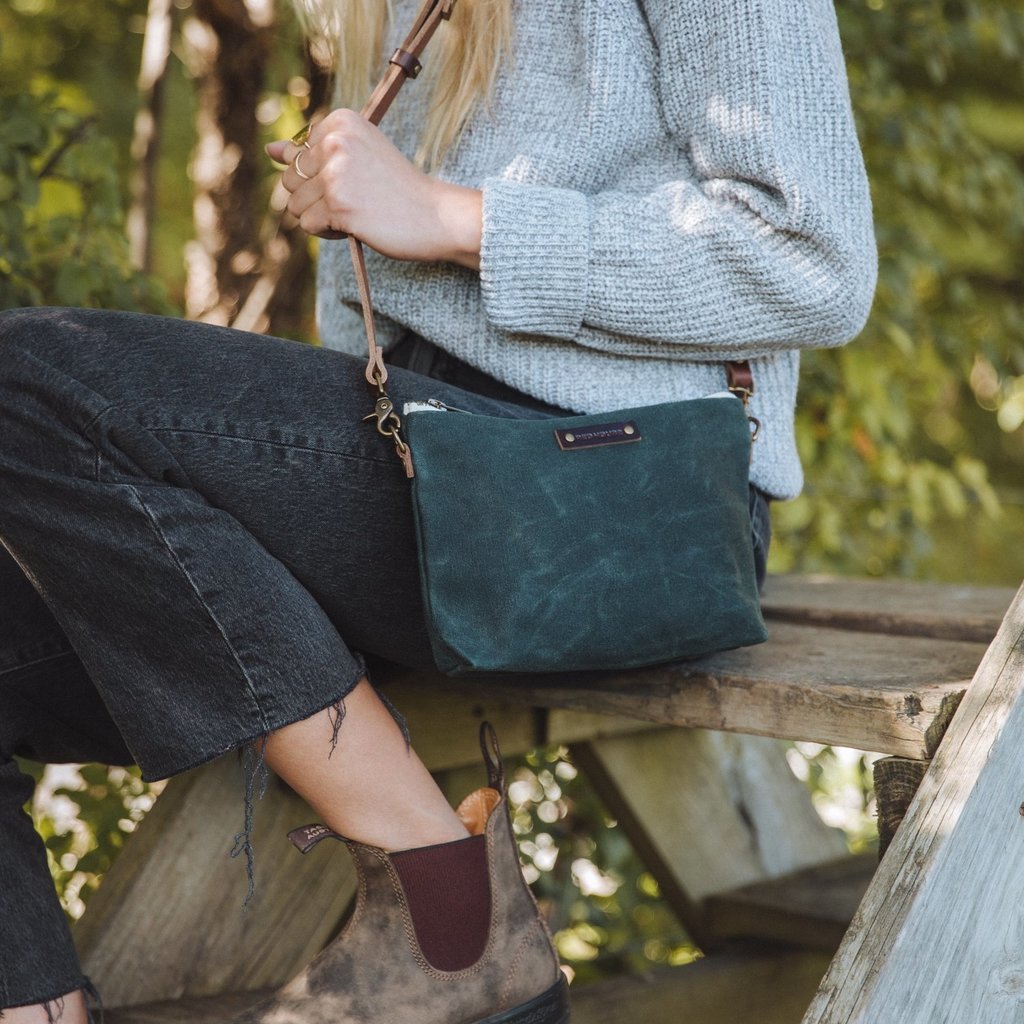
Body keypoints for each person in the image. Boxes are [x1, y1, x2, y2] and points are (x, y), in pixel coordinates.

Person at [0, 0, 877, 1021]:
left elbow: (815, 263)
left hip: (616, 499)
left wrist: (460, 219)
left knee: (28, 374)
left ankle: (448, 912)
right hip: (417, 477)